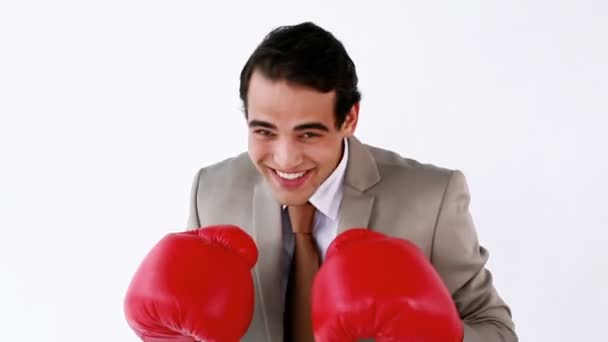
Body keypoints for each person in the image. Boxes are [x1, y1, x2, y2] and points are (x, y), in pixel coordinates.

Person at [186, 22, 517, 341]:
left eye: (308, 133)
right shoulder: (211, 193)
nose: (286, 158)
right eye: (264, 131)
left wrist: (441, 336)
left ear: (349, 119)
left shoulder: (432, 200)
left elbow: (496, 330)